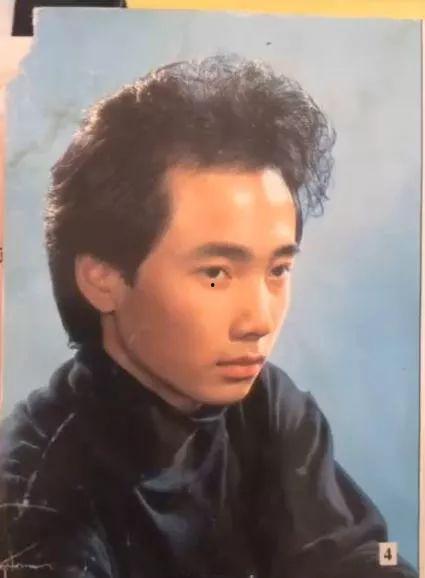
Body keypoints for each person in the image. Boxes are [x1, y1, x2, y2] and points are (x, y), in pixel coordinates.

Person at [0, 56, 418, 578]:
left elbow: (356, 559)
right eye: (217, 274)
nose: (259, 320)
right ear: (102, 279)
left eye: (278, 270)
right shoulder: (36, 489)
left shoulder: (266, 406)